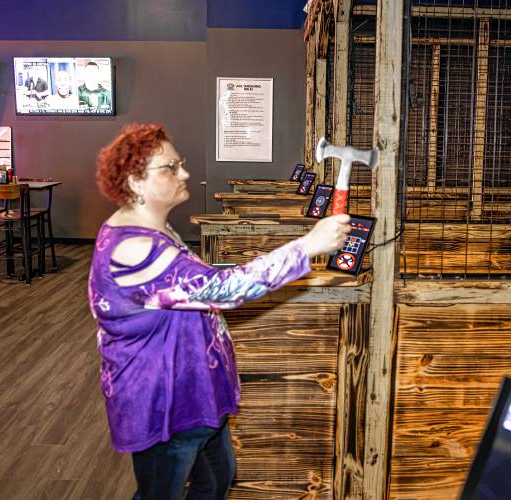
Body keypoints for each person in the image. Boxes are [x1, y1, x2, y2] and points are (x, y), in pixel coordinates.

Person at [89, 123, 350, 500]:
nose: (186, 174)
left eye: (181, 164)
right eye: (171, 168)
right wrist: (308, 245)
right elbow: (223, 291)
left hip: (195, 394)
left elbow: (198, 283)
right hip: (165, 402)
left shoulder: (152, 231)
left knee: (215, 479)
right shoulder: (135, 249)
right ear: (134, 181)